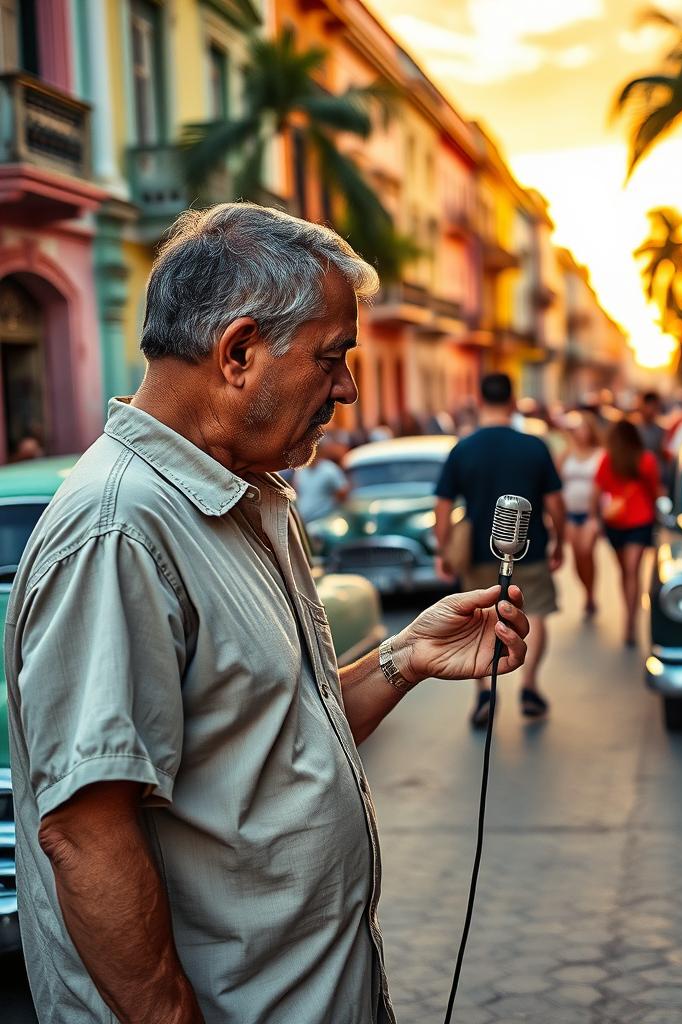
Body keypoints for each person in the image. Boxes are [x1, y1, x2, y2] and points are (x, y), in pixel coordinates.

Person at [4, 203, 530, 1024]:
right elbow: (85, 831)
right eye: (333, 357)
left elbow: (273, 743)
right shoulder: (122, 529)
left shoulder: (243, 496)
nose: (349, 388)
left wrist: (404, 659)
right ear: (240, 352)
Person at [434, 372, 565, 727]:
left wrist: (443, 550)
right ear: (512, 401)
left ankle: (484, 693)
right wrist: (560, 542)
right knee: (534, 613)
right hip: (532, 547)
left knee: (480, 619)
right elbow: (555, 502)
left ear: (479, 401)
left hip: (477, 551)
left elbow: (443, 505)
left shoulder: (463, 449)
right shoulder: (535, 447)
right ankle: (529, 686)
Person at [592, 419, 662, 647]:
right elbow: (654, 492)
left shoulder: (607, 459)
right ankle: (630, 619)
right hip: (640, 520)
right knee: (631, 571)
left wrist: (597, 518)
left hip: (616, 522)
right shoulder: (646, 459)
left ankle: (629, 620)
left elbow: (595, 493)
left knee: (627, 572)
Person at [559, 410, 603, 618]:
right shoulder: (566, 454)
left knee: (586, 551)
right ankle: (587, 592)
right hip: (570, 514)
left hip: (590, 514)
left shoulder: (600, 454)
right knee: (577, 556)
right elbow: (556, 484)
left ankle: (591, 593)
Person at [294, 445, 350, 522]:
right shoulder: (300, 471)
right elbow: (297, 491)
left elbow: (343, 491)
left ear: (317, 452)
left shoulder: (330, 469)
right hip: (305, 519)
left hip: (325, 518)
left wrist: (331, 507)